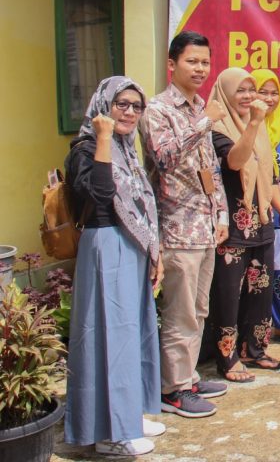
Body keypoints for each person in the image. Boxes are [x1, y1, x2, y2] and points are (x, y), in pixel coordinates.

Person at [65, 77, 165, 456]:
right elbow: (100, 193)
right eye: (121, 103)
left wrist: (155, 252)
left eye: (136, 107)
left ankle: (128, 415)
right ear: (104, 104)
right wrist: (103, 137)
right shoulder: (86, 147)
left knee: (133, 333)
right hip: (105, 245)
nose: (129, 112)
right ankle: (109, 434)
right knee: (108, 339)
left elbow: (143, 204)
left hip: (132, 247)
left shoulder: (128, 149)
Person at [139, 31, 229, 418]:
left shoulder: (198, 108)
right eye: (193, 62)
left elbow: (211, 170)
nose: (201, 69)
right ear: (172, 65)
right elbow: (164, 160)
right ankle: (173, 389)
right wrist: (205, 123)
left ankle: (188, 377)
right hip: (177, 230)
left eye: (205, 63)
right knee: (180, 313)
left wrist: (222, 213)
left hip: (206, 228)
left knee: (200, 309)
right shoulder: (157, 110)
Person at [207, 68, 280, 381]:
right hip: (231, 226)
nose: (249, 96)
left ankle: (256, 349)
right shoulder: (214, 127)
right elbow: (235, 162)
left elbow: (268, 174)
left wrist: (278, 212)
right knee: (228, 294)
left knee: (261, 289)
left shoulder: (259, 126)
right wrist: (252, 124)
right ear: (225, 93)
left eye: (252, 90)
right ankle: (227, 357)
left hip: (261, 221)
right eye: (242, 90)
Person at [250, 69, 280, 338]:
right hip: (252, 208)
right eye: (262, 92)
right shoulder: (248, 126)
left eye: (273, 93)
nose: (269, 99)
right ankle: (258, 324)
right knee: (257, 268)